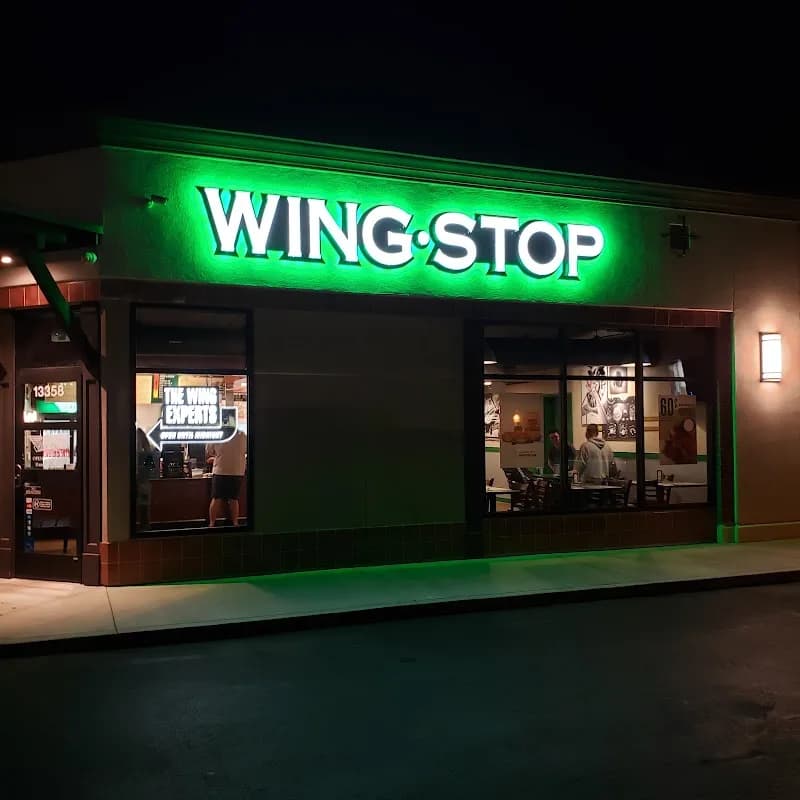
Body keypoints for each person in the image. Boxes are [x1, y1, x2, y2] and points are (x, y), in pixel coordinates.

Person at [206, 429, 247, 527]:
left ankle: (212, 524)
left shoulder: (216, 434)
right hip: (237, 471)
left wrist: (218, 457)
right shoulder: (242, 434)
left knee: (216, 498)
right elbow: (245, 450)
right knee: (234, 499)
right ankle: (235, 523)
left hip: (220, 470)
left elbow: (209, 451)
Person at [135, 426, 158, 531]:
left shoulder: (133, 454)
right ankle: (145, 530)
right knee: (144, 513)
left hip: (139, 485)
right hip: (145, 486)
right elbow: (151, 471)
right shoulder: (148, 453)